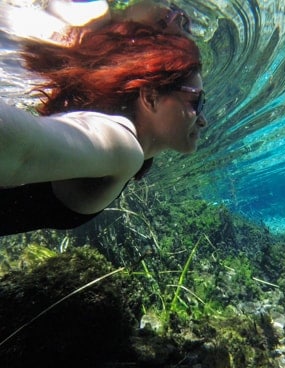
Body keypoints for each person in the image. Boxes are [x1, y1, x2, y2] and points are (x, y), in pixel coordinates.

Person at [0, 0, 207, 236]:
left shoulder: (130, 148)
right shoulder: (122, 144)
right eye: (197, 102)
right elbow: (22, 153)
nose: (203, 120)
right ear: (150, 98)